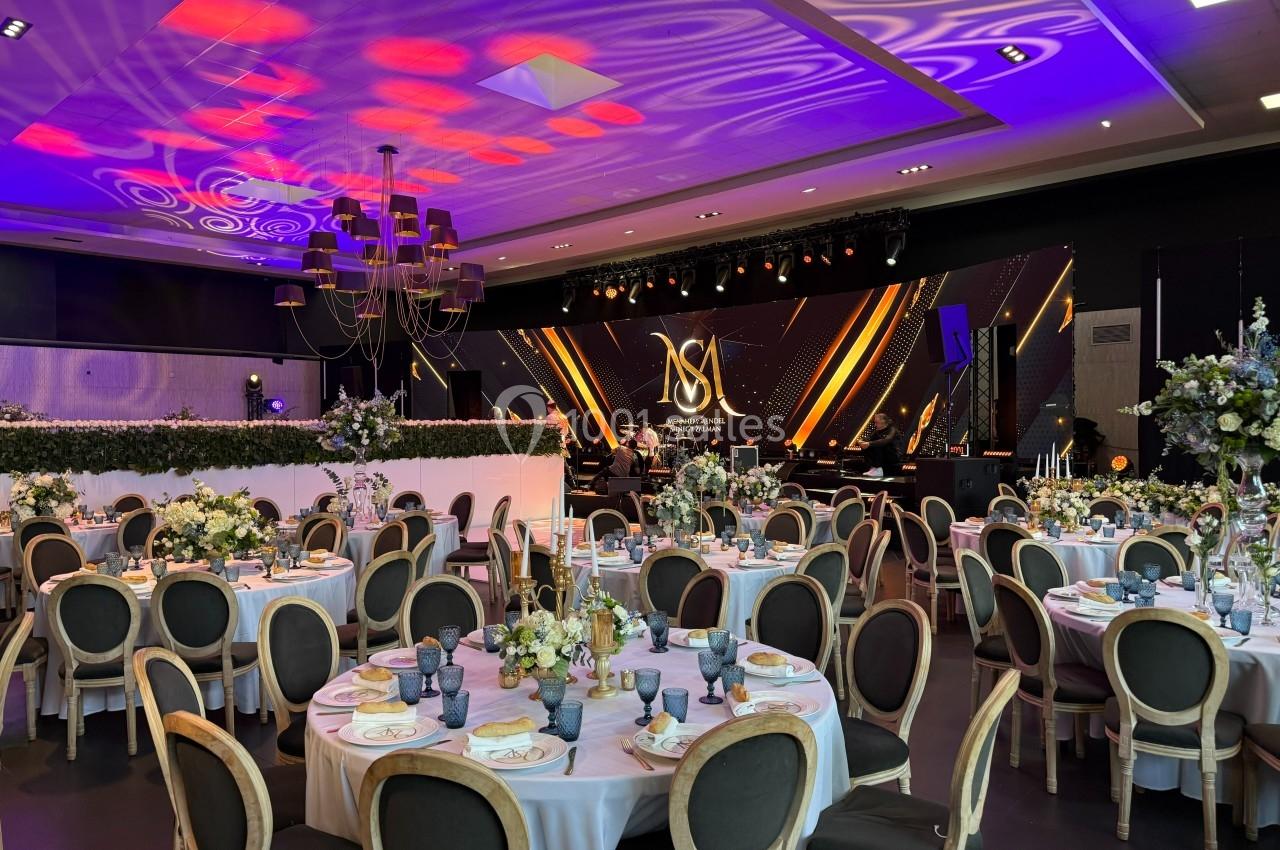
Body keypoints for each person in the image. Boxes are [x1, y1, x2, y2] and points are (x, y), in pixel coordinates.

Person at [854, 412, 901, 477]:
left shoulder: (892, 429)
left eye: (877, 422)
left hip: (893, 456)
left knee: (878, 444)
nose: (875, 425)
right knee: (867, 446)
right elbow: (868, 438)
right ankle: (874, 468)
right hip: (884, 456)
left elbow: (885, 441)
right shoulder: (877, 431)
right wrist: (861, 441)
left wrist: (869, 443)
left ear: (883, 421)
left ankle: (878, 469)